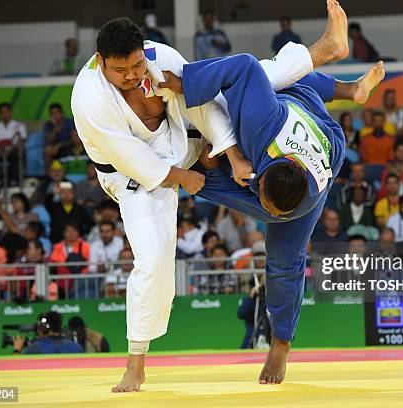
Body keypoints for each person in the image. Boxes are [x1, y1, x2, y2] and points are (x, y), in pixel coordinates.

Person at [71, 11, 353, 392]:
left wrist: (232, 153)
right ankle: (136, 363)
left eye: (137, 64)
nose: (133, 76)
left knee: (240, 81)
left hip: (184, 141)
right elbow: (131, 160)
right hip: (134, 174)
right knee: (153, 260)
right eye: (122, 70)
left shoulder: (158, 58)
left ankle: (328, 55)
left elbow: (201, 103)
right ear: (101, 61)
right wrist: (186, 177)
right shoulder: (90, 100)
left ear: (144, 51)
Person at [160, 1, 384, 385]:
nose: (259, 204)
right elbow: (244, 65)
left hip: (325, 154)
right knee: (267, 72)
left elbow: (268, 206)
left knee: (285, 260)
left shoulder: (304, 200)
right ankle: (347, 85)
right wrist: (188, 83)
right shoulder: (262, 126)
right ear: (262, 172)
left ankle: (281, 344)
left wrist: (205, 173)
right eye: (259, 193)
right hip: (298, 105)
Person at [13, 311, 83, 354]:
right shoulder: (76, 348)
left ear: (45, 328)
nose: (38, 330)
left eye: (40, 326)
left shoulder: (35, 348)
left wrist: (17, 350)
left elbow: (16, 370)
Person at [43, 103, 75, 168]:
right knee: (47, 150)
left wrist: (59, 145)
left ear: (62, 113)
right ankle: (49, 174)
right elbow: (48, 141)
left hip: (69, 145)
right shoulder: (48, 124)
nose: (55, 115)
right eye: (52, 114)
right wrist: (55, 129)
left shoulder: (70, 122)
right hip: (55, 149)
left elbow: (74, 139)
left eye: (57, 113)